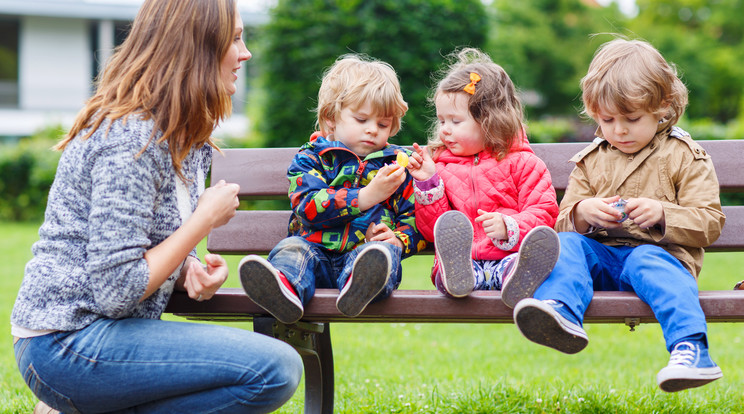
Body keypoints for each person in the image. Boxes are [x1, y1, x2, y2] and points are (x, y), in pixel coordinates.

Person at [11, 1, 303, 412]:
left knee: (276, 370)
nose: (246, 52)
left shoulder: (188, 139)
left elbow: (147, 246)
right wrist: (203, 221)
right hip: (67, 341)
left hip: (106, 334)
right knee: (274, 369)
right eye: (235, 39)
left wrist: (189, 271)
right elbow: (116, 290)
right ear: (198, 47)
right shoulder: (131, 139)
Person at [512, 38, 726, 393]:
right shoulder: (591, 159)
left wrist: (662, 214)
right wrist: (583, 213)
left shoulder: (684, 155)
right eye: (607, 119)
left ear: (663, 106)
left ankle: (692, 349)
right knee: (567, 243)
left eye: (631, 118)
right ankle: (562, 311)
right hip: (603, 259)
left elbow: (710, 222)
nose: (619, 130)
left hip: (660, 260)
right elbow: (562, 221)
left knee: (646, 259)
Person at [238, 54, 426, 324]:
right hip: (315, 256)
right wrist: (365, 197)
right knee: (291, 248)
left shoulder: (397, 166)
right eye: (362, 120)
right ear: (331, 119)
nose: (373, 130)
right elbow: (307, 206)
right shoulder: (311, 158)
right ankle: (283, 292)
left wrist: (397, 238)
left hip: (362, 257)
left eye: (382, 124)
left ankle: (358, 287)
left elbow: (416, 218)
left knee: (380, 255)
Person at [406, 48, 560, 308]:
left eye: (455, 121)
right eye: (442, 120)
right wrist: (428, 183)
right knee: (448, 269)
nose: (445, 130)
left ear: (489, 120)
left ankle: (519, 280)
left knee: (516, 264)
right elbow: (432, 229)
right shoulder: (440, 166)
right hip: (464, 263)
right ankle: (457, 275)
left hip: (509, 256)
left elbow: (544, 213)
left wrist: (509, 226)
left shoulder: (523, 163)